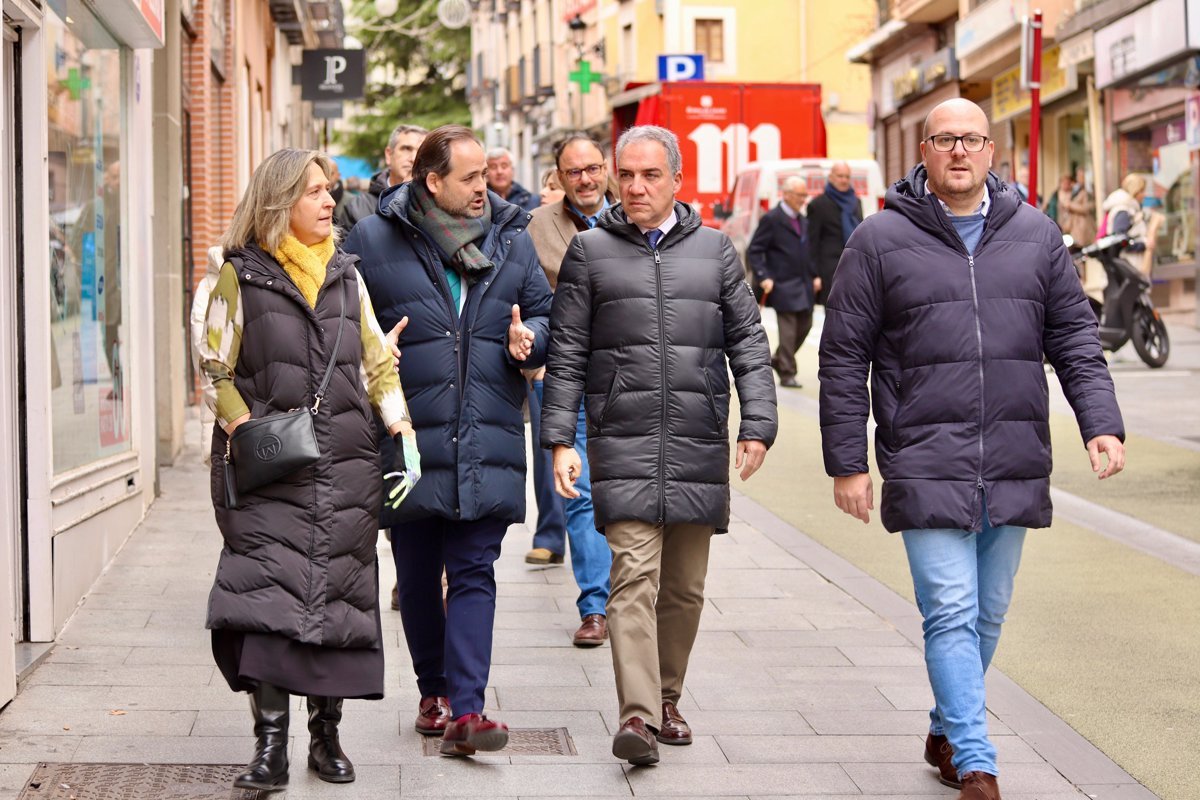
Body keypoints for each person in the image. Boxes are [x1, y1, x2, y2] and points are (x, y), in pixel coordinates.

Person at [819, 99, 1125, 800]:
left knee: (987, 613)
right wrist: (847, 463)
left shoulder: (1038, 237)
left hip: (1014, 452)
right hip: (923, 453)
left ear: (992, 152)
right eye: (945, 140)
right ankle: (978, 762)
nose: (960, 151)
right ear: (923, 152)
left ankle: (946, 727)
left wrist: (1100, 422)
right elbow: (843, 358)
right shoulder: (879, 240)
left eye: (973, 140)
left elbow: (1075, 340)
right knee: (951, 610)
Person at [541, 125, 778, 766]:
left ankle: (669, 698)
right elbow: (565, 355)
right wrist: (561, 439)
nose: (636, 187)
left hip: (697, 439)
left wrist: (758, 424)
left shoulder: (717, 251)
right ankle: (639, 716)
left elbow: (750, 347)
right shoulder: (589, 253)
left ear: (677, 180)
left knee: (684, 589)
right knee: (632, 578)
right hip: (621, 438)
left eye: (651, 176)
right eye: (628, 175)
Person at [199, 148, 417, 791]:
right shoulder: (238, 276)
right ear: (278, 203)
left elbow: (377, 363)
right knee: (269, 594)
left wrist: (401, 432)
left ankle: (327, 737)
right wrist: (244, 428)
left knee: (337, 598)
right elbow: (213, 366)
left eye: (331, 191)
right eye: (315, 193)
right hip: (271, 466)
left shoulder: (348, 277)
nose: (330, 202)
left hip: (347, 461)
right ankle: (270, 747)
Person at [343, 125, 553, 756]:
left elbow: (544, 313)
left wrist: (531, 341)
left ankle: (467, 709)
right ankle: (431, 689)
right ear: (432, 182)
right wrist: (373, 348)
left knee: (474, 568)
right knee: (415, 566)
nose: (484, 187)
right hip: (409, 435)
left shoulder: (511, 238)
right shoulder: (372, 240)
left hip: (486, 431)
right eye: (469, 177)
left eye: (486, 175)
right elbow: (337, 327)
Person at [527, 133, 617, 647]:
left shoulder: (632, 220)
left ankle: (629, 592)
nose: (585, 179)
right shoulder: (535, 228)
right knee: (579, 492)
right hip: (563, 378)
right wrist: (532, 356)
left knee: (628, 491)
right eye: (573, 171)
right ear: (558, 178)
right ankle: (595, 606)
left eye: (592, 168)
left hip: (629, 378)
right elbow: (522, 297)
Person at [747, 175, 818, 389]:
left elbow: (807, 252)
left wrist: (814, 275)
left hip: (803, 282)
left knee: (806, 325)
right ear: (786, 195)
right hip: (782, 283)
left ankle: (778, 360)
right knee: (788, 330)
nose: (803, 199)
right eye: (799, 195)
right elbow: (755, 250)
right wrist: (763, 276)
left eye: (805, 195)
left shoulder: (803, 220)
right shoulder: (772, 219)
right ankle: (787, 372)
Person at [342, 124, 428, 228]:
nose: (414, 158)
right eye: (406, 149)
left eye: (421, 152)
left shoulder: (436, 206)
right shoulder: (357, 207)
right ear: (388, 154)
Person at [806, 161, 862, 304]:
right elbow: (812, 242)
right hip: (830, 271)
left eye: (847, 177)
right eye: (840, 176)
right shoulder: (818, 204)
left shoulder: (856, 202)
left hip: (854, 267)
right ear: (831, 177)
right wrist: (815, 274)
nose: (844, 180)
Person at [486, 147, 539, 212]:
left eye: (504, 166)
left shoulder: (531, 201)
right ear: (486, 172)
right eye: (493, 167)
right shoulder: (480, 202)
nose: (499, 171)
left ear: (512, 170)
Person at [1060, 166, 1096, 247]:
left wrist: (1070, 205)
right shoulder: (1076, 189)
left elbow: (1087, 208)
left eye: (1080, 176)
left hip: (1084, 227)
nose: (1077, 178)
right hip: (1075, 226)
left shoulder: (1089, 191)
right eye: (1077, 176)